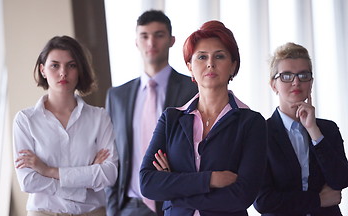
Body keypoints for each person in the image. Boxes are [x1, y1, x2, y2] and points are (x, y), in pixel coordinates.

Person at [139, 20, 268, 216]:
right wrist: (210, 180)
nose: (210, 63)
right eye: (201, 57)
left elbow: (242, 195)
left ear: (233, 66)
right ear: (190, 67)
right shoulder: (171, 119)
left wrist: (173, 189)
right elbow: (148, 183)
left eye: (220, 56)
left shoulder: (251, 122)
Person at [104, 10, 198, 216]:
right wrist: (112, 209)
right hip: (128, 206)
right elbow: (111, 154)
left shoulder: (192, 89)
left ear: (172, 40)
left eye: (159, 35)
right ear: (136, 41)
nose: (151, 43)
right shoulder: (117, 96)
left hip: (175, 203)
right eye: (144, 36)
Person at [13, 35, 118, 216]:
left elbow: (109, 174)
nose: (63, 73)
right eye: (55, 65)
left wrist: (48, 170)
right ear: (43, 70)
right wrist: (85, 181)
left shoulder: (99, 117)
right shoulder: (25, 120)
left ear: (79, 70)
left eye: (71, 65)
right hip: (44, 212)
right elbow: (28, 181)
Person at [254, 42, 348, 216]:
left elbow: (341, 180)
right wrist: (318, 200)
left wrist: (313, 131)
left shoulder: (327, 129)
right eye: (286, 76)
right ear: (273, 85)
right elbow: (263, 201)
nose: (296, 82)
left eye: (303, 75)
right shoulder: (260, 133)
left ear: (311, 83)